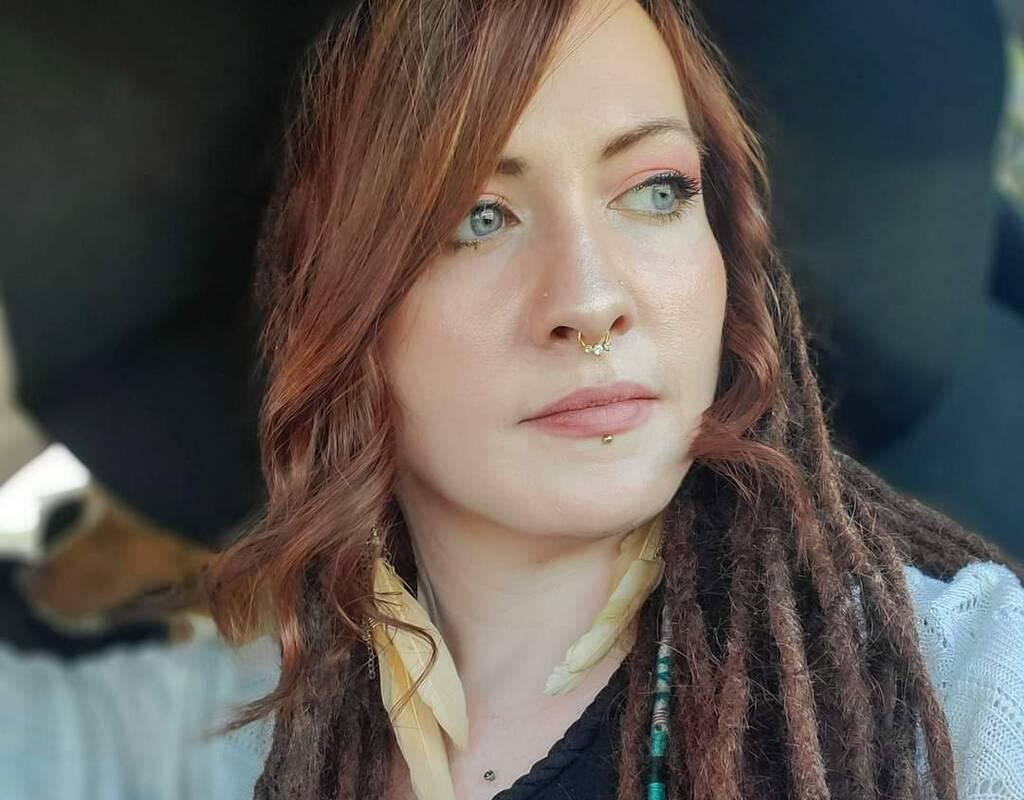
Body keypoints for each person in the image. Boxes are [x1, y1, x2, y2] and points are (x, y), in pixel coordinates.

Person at [3, 1, 1023, 799]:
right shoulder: (222, 738)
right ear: (330, 306)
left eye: (656, 190)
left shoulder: (948, 691)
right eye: (476, 217)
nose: (590, 299)